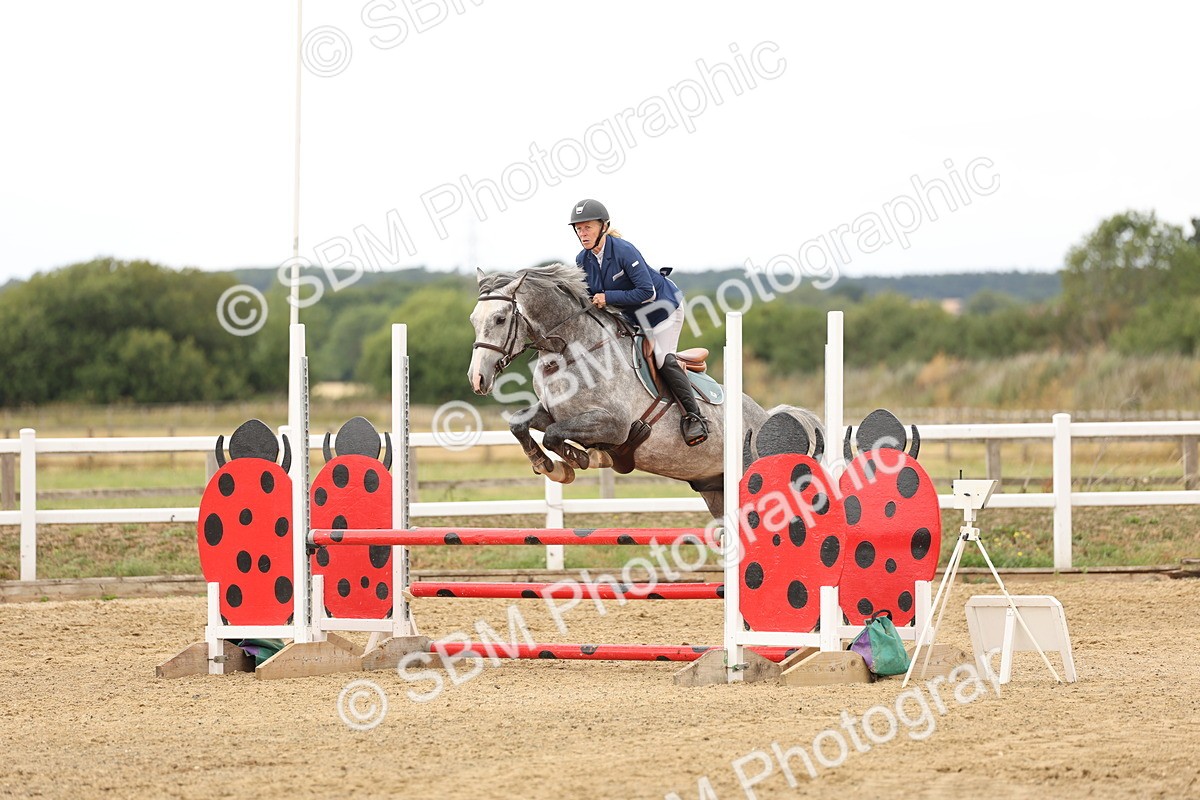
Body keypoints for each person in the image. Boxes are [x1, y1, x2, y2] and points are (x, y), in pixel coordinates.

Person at [568, 198, 709, 447]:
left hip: (664, 308)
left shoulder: (623, 250)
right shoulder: (583, 259)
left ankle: (694, 416)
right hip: (633, 315)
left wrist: (608, 296)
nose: (582, 233)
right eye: (578, 228)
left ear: (603, 226)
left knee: (661, 358)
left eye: (587, 227)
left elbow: (647, 292)